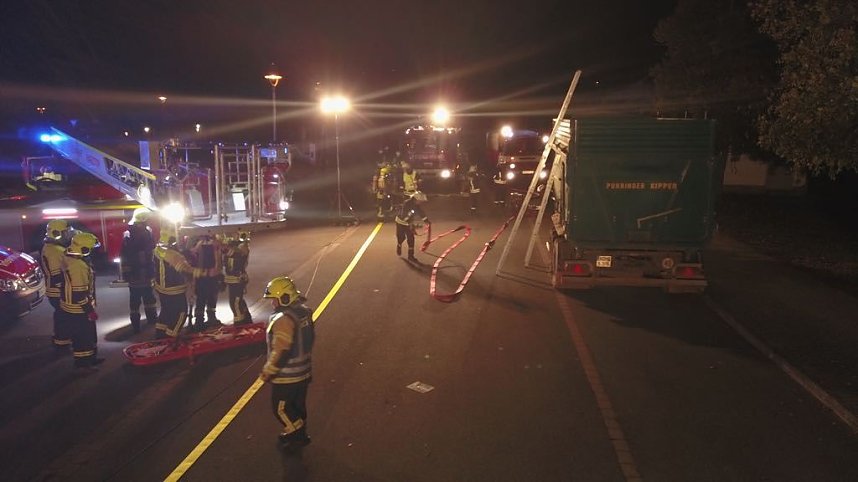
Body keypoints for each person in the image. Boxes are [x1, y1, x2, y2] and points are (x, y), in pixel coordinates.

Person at [259, 276, 315, 449]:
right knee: (297, 406)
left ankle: (297, 436)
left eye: (274, 300)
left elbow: (281, 350)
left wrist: (269, 371)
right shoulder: (304, 311)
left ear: (284, 298)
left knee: (281, 409)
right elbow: (311, 338)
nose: (272, 304)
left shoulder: (283, 319)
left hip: (287, 376)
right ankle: (296, 433)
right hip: (304, 371)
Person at [60, 232, 104, 370]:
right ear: (84, 249)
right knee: (82, 336)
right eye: (90, 249)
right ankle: (83, 364)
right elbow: (79, 293)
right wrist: (89, 311)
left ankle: (90, 358)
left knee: (88, 334)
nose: (92, 252)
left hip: (72, 305)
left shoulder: (69, 256)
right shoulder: (78, 266)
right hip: (78, 308)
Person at [153, 229, 200, 339]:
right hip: (174, 289)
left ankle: (159, 337)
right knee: (181, 314)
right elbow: (185, 269)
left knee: (166, 312)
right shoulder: (173, 255)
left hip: (162, 289)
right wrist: (201, 272)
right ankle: (171, 339)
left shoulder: (158, 250)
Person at [120, 208, 157, 333]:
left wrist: (126, 273)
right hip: (140, 272)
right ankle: (143, 321)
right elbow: (125, 255)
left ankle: (142, 321)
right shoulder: (141, 233)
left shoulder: (129, 233)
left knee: (143, 298)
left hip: (139, 272)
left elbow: (124, 256)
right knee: (142, 298)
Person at [41, 219, 73, 349]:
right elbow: (57, 275)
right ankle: (62, 342)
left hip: (55, 290)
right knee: (62, 316)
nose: (68, 235)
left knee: (61, 315)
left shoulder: (54, 248)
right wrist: (65, 292)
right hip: (57, 291)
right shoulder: (54, 251)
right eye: (65, 233)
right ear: (57, 233)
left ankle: (62, 339)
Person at [189, 234, 222, 331]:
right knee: (202, 299)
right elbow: (192, 255)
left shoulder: (214, 243)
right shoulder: (200, 244)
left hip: (210, 275)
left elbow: (219, 258)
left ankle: (209, 319)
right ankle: (200, 321)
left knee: (209, 298)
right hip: (204, 276)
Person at [222, 229, 252, 325]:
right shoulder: (234, 246)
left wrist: (220, 245)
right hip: (232, 280)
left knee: (235, 303)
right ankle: (246, 321)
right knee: (236, 302)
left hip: (238, 279)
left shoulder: (242, 246)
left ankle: (240, 324)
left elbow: (234, 252)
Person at [394, 191, 430, 261]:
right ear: (416, 199)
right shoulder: (407, 204)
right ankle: (399, 245)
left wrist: (426, 221)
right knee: (401, 237)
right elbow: (404, 216)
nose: (421, 202)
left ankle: (411, 256)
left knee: (411, 239)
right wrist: (412, 224)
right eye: (420, 201)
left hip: (408, 223)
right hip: (400, 223)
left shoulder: (416, 205)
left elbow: (420, 212)